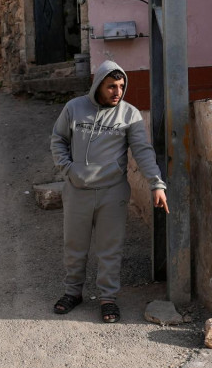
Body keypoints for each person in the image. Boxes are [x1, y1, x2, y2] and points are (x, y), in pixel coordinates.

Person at [49, 60, 169, 323]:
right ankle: (72, 292)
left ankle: (107, 299)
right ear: (98, 86)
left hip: (112, 193)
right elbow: (58, 139)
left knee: (109, 249)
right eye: (111, 86)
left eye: (121, 86)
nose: (117, 92)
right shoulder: (74, 108)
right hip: (77, 189)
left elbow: (142, 151)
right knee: (74, 246)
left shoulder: (129, 114)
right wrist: (67, 169)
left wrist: (156, 183)